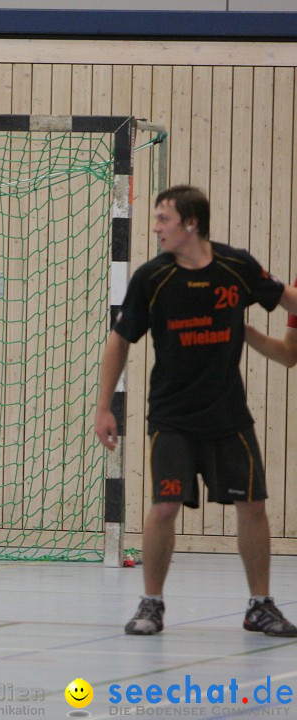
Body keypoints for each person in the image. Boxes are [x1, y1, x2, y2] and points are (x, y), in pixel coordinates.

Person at [95, 184, 297, 637]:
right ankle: (151, 604)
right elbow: (119, 342)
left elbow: (286, 298)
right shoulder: (152, 277)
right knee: (164, 506)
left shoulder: (236, 267)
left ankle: (260, 606)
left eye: (164, 219)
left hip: (229, 415)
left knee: (253, 504)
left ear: (191, 223)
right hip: (172, 417)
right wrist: (103, 407)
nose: (156, 227)